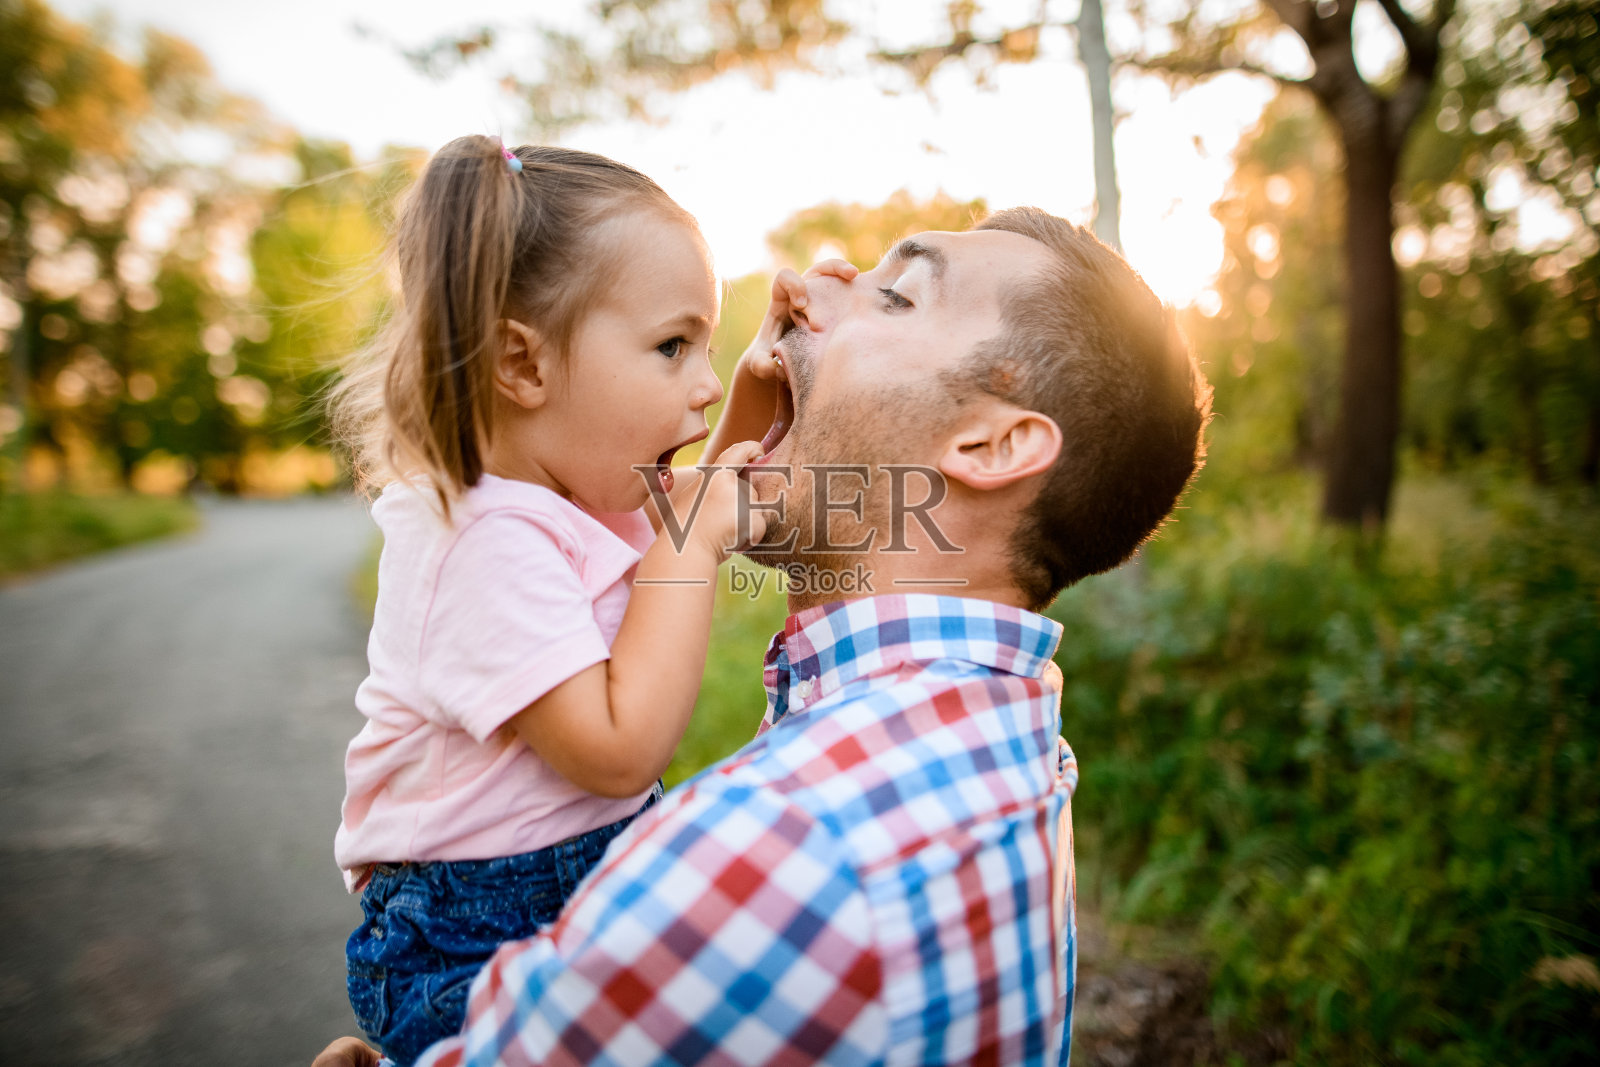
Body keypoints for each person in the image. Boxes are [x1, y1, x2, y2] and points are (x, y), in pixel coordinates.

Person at [316, 206, 1210, 1067]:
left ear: (989, 445)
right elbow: (694, 505)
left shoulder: (790, 842)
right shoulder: (991, 742)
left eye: (896, 297)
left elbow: (684, 524)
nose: (795, 287)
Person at [327, 135, 770, 1066]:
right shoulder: (479, 539)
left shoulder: (579, 493)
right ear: (522, 366)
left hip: (581, 886)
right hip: (472, 935)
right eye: (673, 344)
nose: (707, 382)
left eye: (712, 347)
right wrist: (687, 550)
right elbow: (614, 750)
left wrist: (770, 379)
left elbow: (699, 494)